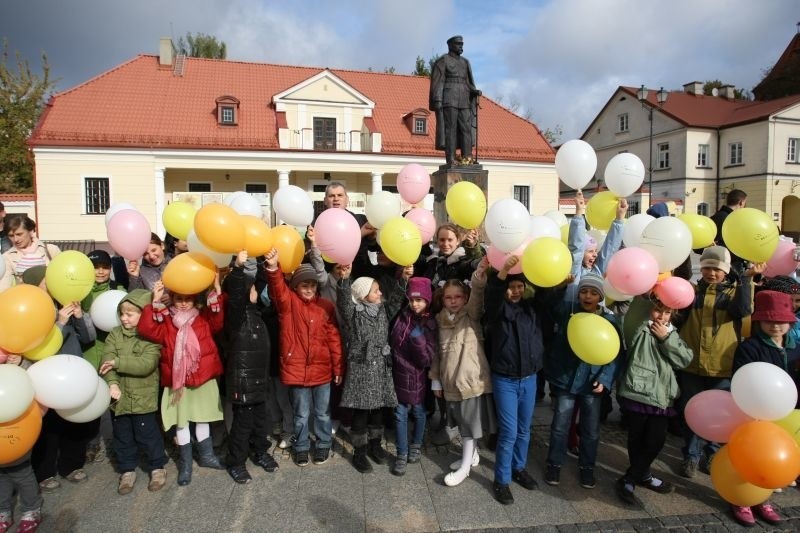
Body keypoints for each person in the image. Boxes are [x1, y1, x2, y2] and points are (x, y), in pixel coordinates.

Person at [675, 246, 762, 478]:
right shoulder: (692, 292)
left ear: (726, 271)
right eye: (706, 268)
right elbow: (678, 317)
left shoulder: (735, 293)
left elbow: (744, 310)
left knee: (719, 414)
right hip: (691, 363)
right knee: (691, 411)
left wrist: (745, 280)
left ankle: (712, 453)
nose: (711, 273)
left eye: (716, 269)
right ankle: (691, 455)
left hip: (721, 365)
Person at [138, 278, 227, 486]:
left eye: (188, 299)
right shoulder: (166, 320)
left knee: (203, 417)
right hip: (178, 382)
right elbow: (146, 330)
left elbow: (218, 322)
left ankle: (206, 456)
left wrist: (217, 292)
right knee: (182, 421)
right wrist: (155, 301)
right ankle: (186, 464)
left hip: (202, 377)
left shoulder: (203, 317)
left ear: (195, 300)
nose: (184, 303)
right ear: (173, 299)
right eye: (179, 299)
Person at [264, 249, 344, 467]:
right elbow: (278, 289)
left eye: (312, 285)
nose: (309, 289)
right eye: (304, 285)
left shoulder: (325, 306)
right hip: (297, 369)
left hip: (322, 370)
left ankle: (323, 444)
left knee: (322, 413)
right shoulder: (288, 304)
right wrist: (273, 267)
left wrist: (338, 367)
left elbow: (334, 339)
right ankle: (300, 446)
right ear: (296, 286)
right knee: (300, 413)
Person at [726, 290, 797, 527]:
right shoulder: (750, 347)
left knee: (772, 458)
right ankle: (742, 499)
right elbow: (742, 379)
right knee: (750, 456)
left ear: (790, 321)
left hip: (786, 415)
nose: (776, 326)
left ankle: (763, 498)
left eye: (781, 321)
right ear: (759, 321)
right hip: (753, 413)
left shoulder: (795, 347)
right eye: (770, 321)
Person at [544, 273, 621, 489]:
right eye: (584, 292)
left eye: (594, 293)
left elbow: (616, 355)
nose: (587, 296)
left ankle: (587, 467)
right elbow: (548, 307)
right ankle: (554, 464)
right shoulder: (568, 311)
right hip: (565, 380)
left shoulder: (609, 320)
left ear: (601, 297)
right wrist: (560, 287)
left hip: (592, 384)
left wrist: (605, 379)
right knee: (560, 426)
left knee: (590, 429)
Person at [25, 266, 99, 493]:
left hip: (73, 374)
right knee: (50, 428)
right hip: (47, 379)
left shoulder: (64, 304)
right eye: (46, 282)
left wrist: (79, 317)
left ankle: (72, 466)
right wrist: (59, 323)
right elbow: (37, 348)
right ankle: (45, 473)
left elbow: (89, 338)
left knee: (74, 423)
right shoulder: (30, 312)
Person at [615, 296, 693, 506]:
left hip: (662, 397)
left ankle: (631, 477)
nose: (662, 316)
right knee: (637, 439)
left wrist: (665, 339)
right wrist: (646, 293)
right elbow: (634, 314)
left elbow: (685, 359)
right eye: (658, 310)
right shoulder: (639, 329)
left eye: (667, 312)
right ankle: (643, 475)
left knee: (655, 441)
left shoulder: (671, 333)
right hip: (638, 392)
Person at [484, 256, 549, 504]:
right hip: (506, 380)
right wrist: (505, 272)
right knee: (509, 432)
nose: (516, 291)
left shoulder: (531, 308)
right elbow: (491, 297)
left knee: (524, 430)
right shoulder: (498, 311)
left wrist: (558, 281)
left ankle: (518, 468)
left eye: (519, 286)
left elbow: (546, 296)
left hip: (529, 378)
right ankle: (501, 480)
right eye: (512, 287)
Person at [431, 258, 496, 488]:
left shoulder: (471, 315)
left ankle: (465, 467)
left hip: (470, 379)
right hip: (450, 382)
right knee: (461, 422)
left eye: (458, 296)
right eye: (449, 297)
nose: (453, 301)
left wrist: (479, 274)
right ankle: (473, 455)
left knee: (469, 426)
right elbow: (437, 353)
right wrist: (436, 380)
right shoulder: (439, 320)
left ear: (465, 298)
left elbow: (478, 295)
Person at [336, 266, 407, 473]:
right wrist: (345, 279)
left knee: (378, 410)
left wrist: (403, 279)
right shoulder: (354, 313)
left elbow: (395, 300)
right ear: (363, 295)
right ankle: (359, 452)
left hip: (380, 367)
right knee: (361, 412)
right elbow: (343, 302)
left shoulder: (384, 310)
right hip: (362, 367)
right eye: (376, 290)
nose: (380, 293)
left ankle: (375, 446)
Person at [98, 289, 168, 495]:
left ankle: (157, 467)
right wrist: (112, 383)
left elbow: (146, 364)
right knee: (122, 436)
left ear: (143, 314)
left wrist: (118, 362)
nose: (123, 318)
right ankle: (127, 470)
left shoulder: (150, 337)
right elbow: (106, 361)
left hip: (143, 397)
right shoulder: (114, 334)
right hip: (118, 398)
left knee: (148, 434)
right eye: (122, 313)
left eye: (129, 314)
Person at [221, 251, 278, 484]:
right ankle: (236, 462)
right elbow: (234, 294)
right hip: (242, 381)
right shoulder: (236, 316)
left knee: (261, 420)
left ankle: (261, 451)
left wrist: (268, 263)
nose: (257, 289)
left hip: (259, 380)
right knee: (243, 424)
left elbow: (262, 282)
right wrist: (237, 267)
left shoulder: (257, 314)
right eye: (251, 288)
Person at [80, 249, 126, 464]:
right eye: (95, 267)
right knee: (92, 400)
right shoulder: (81, 292)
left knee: (116, 401)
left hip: (114, 352)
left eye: (104, 267)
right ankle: (91, 442)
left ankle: (119, 444)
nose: (100, 271)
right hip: (90, 353)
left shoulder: (118, 289)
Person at [389, 277, 436, 476]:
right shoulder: (402, 315)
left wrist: (418, 341)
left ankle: (416, 443)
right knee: (399, 415)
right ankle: (401, 453)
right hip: (398, 374)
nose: (415, 304)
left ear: (427, 300)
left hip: (416, 378)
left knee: (418, 412)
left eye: (420, 300)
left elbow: (427, 359)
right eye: (412, 300)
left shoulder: (430, 323)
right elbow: (393, 339)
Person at [0, 356, 43, 532]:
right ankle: (3, 511)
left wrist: (19, 363)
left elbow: (31, 380)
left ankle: (31, 509)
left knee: (21, 472)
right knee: (0, 475)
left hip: (16, 428)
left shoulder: (12, 351)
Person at [429, 35, 481, 166]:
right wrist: (438, 100)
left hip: (464, 99)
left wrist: (474, 91)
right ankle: (451, 158)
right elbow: (437, 82)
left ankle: (467, 158)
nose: (461, 47)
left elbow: (467, 82)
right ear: (450, 45)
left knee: (466, 129)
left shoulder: (465, 62)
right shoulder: (443, 61)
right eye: (458, 44)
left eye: (462, 44)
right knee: (450, 129)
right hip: (449, 99)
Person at [0, 215, 60, 292]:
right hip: (24, 300)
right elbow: (4, 289)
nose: (16, 239)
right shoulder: (7, 257)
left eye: (19, 234)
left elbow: (64, 278)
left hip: (51, 301)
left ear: (31, 231)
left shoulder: (51, 250)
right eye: (11, 236)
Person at [710, 189, 748, 275]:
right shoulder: (734, 220)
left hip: (713, 261)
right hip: (732, 262)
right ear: (741, 202)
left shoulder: (715, 216)